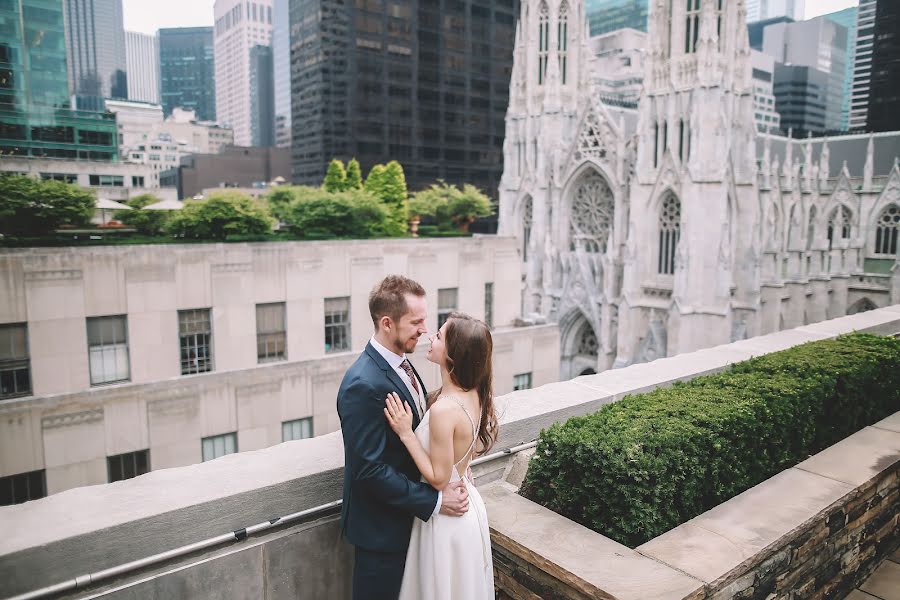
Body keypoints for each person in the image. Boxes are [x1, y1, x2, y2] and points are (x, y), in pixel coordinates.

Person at [337, 275, 470, 600]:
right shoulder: (362, 385)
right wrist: (436, 501)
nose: (425, 329)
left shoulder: (403, 364)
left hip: (412, 526)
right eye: (416, 321)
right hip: (382, 536)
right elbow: (369, 471)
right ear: (386, 323)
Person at [384, 312, 499, 600]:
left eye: (439, 335)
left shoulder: (444, 409)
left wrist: (406, 433)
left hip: (447, 519)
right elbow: (463, 450)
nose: (429, 336)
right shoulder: (473, 392)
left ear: (453, 354)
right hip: (466, 505)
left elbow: (437, 478)